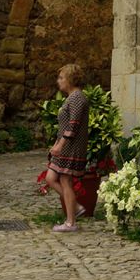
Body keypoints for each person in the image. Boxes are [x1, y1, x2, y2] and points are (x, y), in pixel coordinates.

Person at [44, 63, 90, 232]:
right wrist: (56, 145)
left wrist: (61, 144)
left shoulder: (77, 97)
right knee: (50, 178)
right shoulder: (71, 98)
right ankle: (75, 206)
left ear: (70, 79)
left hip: (71, 147)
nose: (59, 81)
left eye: (62, 78)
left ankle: (71, 222)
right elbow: (64, 126)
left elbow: (73, 125)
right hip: (64, 145)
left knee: (65, 180)